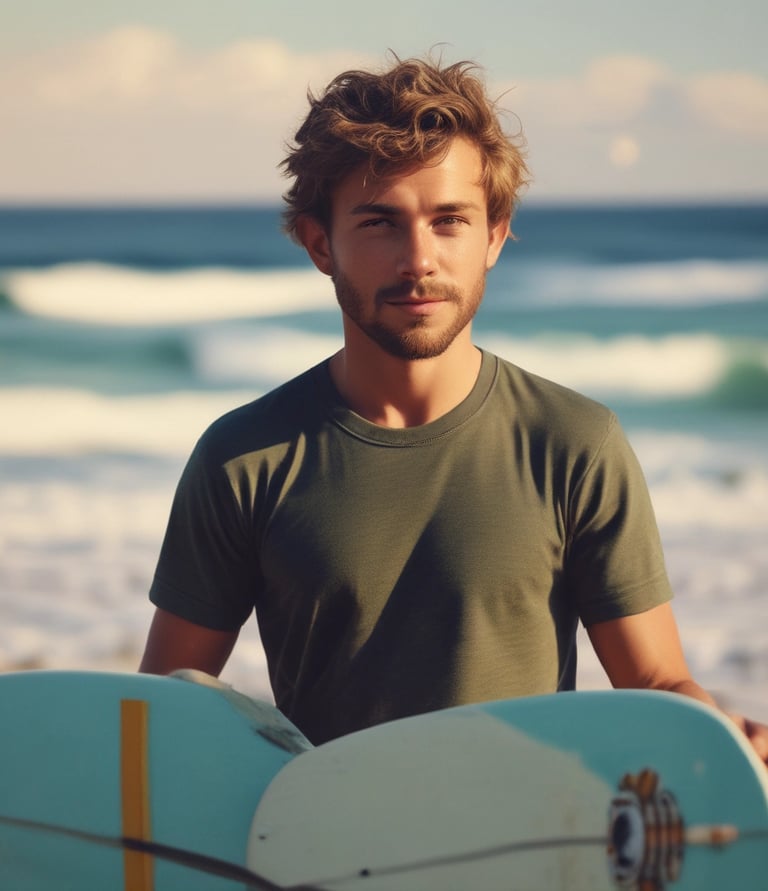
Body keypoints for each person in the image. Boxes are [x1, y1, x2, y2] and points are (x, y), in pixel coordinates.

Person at [139, 55, 768, 761]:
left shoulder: (573, 445)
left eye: (449, 221)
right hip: (323, 831)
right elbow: (163, 714)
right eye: (380, 223)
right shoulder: (244, 458)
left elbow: (655, 680)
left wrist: (721, 739)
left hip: (528, 830)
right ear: (321, 243)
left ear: (493, 236)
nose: (419, 260)